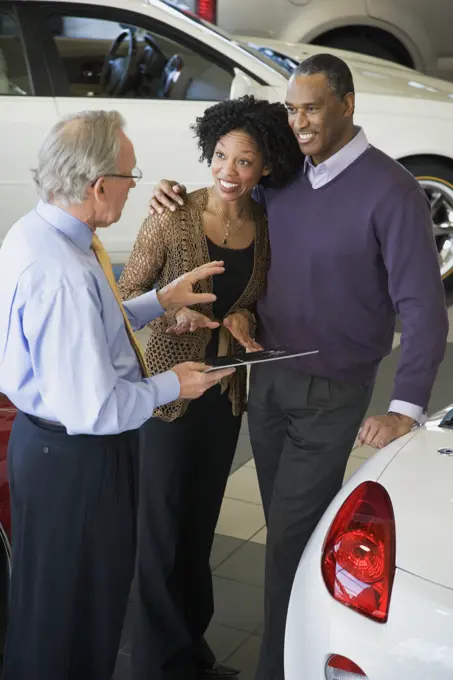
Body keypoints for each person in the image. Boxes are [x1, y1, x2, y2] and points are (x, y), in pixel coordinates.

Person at [147, 55, 449, 680]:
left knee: (290, 535)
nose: (299, 120)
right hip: (267, 378)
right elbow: (226, 194)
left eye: (311, 107)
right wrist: (170, 192)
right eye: (291, 108)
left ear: (347, 104)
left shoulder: (390, 190)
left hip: (334, 390)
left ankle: (278, 670)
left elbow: (424, 305)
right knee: (290, 532)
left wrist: (404, 408)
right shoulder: (283, 177)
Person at [0, 110, 236, 680]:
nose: (135, 189)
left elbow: (87, 336)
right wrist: (172, 383)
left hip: (46, 451)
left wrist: (159, 299)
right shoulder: (64, 274)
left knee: (46, 606)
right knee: (78, 618)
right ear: (98, 185)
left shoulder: (40, 232)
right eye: (130, 178)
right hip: (78, 460)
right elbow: (95, 407)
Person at [118, 95, 302, 680]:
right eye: (220, 155)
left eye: (244, 162)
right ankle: (157, 664)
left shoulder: (265, 224)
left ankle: (191, 656)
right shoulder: (172, 214)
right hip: (168, 397)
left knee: (199, 529)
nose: (227, 171)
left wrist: (243, 319)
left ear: (267, 167)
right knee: (161, 536)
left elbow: (248, 303)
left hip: (223, 397)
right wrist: (174, 318)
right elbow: (125, 306)